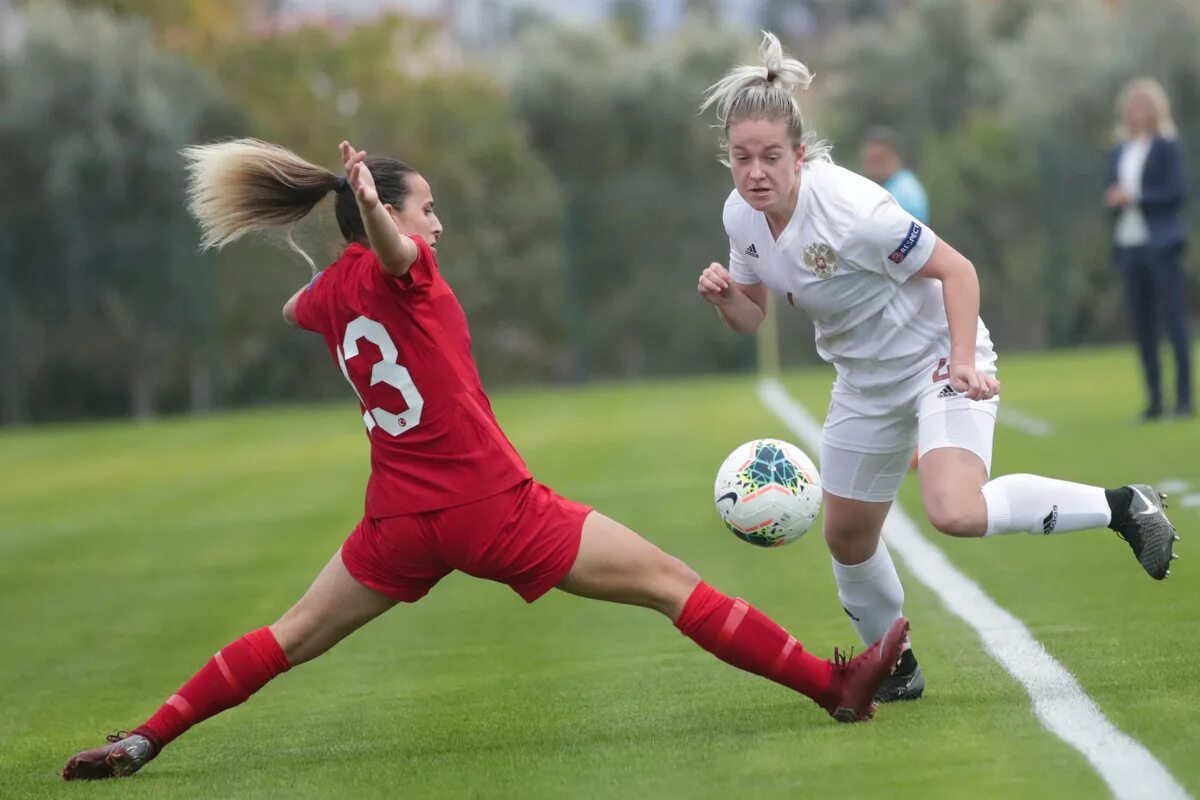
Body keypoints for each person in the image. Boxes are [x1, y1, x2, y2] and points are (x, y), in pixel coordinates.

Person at [61, 138, 910, 781]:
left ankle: (149, 736)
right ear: (394, 220)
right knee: (669, 584)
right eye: (425, 207)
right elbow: (395, 256)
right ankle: (829, 685)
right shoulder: (409, 269)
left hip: (398, 523)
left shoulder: (331, 295)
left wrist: (352, 235)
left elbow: (297, 306)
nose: (437, 222)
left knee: (289, 637)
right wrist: (368, 210)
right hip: (490, 506)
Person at [696, 33, 1180, 704]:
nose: (755, 172)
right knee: (847, 535)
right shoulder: (740, 217)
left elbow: (957, 269)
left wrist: (960, 363)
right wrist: (728, 300)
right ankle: (896, 666)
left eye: (771, 157)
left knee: (953, 509)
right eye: (742, 158)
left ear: (799, 155)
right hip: (864, 380)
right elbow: (753, 314)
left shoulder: (854, 211)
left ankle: (1126, 506)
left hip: (935, 361)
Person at [1105, 77, 1191, 421]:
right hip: (1129, 244)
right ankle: (1154, 400)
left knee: (1173, 321)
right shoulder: (1120, 149)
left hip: (1161, 243)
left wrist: (1136, 197)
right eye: (1132, 104)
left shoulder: (1167, 146)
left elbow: (1176, 193)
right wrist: (1113, 200)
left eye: (1143, 104)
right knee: (1142, 325)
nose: (1136, 111)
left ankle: (1184, 401)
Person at [859, 126, 929, 224]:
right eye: (869, 161)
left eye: (878, 160)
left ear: (894, 157)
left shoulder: (906, 192)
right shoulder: (880, 187)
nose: (872, 169)